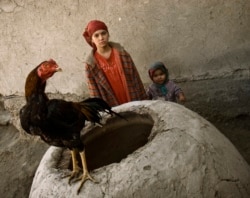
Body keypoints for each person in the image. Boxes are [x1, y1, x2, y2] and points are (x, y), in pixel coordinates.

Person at [82, 20, 147, 107]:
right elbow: (94, 93)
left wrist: (144, 101)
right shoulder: (91, 65)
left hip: (131, 98)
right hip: (110, 103)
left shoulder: (122, 54)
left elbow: (136, 79)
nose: (101, 38)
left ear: (108, 34)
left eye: (103, 33)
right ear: (92, 39)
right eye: (96, 35)